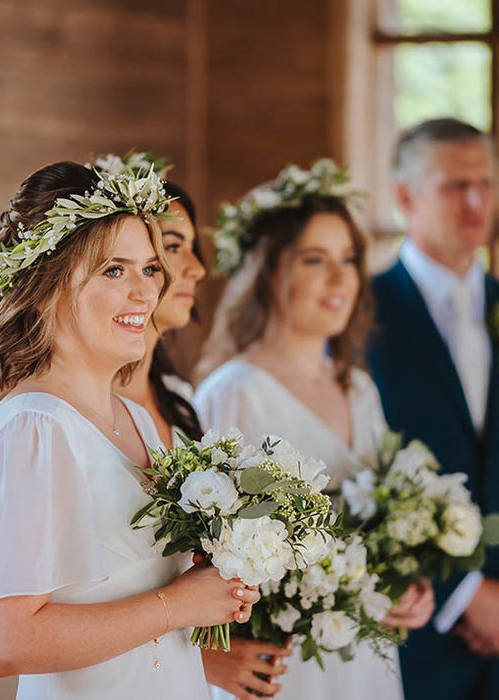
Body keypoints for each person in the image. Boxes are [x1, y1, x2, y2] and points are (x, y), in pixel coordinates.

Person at [0, 161, 259, 700]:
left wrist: (219, 587)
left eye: (149, 268)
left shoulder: (138, 420)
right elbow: (3, 640)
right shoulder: (35, 428)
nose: (145, 292)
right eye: (115, 270)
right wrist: (181, 604)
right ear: (48, 285)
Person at [193, 160, 434, 700]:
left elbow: (379, 516)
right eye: (315, 259)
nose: (340, 278)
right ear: (269, 271)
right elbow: (202, 550)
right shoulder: (235, 391)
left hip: (361, 652)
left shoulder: (359, 389)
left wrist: (402, 582)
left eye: (349, 260)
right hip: (279, 658)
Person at [117, 177, 291, 698]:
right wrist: (204, 660)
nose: (196, 268)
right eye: (173, 249)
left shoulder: (177, 395)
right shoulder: (84, 414)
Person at [368, 117, 499, 700]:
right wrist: (466, 594)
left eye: (486, 183)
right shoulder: (359, 316)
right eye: (455, 185)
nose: (477, 201)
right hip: (413, 630)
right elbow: (351, 469)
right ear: (404, 197)